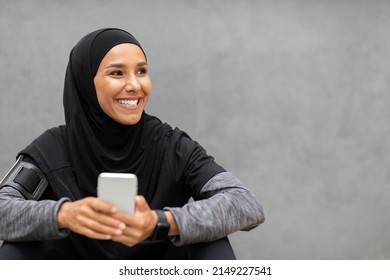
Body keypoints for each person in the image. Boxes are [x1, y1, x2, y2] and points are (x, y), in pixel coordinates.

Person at [0, 28, 264, 259]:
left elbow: (244, 203)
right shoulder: (53, 149)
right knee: (18, 243)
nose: (135, 85)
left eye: (141, 71)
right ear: (85, 83)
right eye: (117, 73)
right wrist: (63, 215)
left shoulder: (171, 146)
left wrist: (161, 222)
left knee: (211, 238)